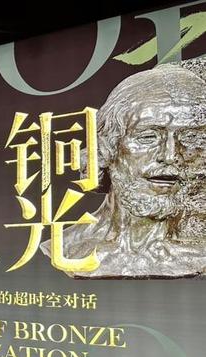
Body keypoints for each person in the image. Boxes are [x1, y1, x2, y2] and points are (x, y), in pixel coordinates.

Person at [45, 59, 206, 278]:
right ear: (107, 146)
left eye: (191, 138)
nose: (170, 156)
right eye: (148, 137)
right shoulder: (65, 247)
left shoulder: (197, 254)